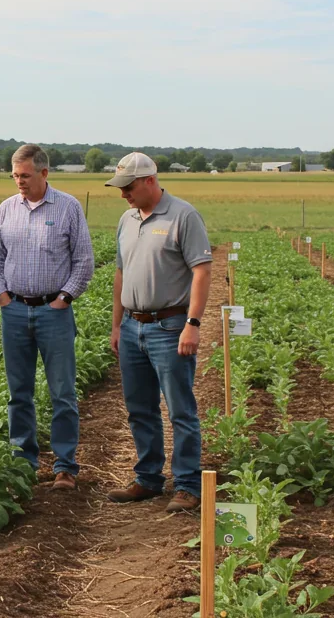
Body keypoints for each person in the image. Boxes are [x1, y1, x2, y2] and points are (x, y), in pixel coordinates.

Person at [104, 152, 212, 512]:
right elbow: (121, 274)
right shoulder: (127, 219)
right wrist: (117, 325)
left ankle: (188, 485)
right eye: (119, 189)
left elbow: (202, 272)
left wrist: (192, 325)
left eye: (128, 187)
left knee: (180, 410)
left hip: (170, 327)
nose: (123, 195)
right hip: (133, 326)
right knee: (139, 408)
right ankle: (149, 479)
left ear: (150, 179)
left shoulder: (183, 216)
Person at [0, 144, 93, 491]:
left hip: (53, 312)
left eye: (25, 175)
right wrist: (2, 296)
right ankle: (23, 463)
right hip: (14, 311)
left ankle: (65, 466)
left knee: (62, 391)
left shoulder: (67, 208)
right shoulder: (6, 209)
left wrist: (64, 299)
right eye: (15, 175)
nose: (19, 181)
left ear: (44, 173)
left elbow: (83, 261)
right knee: (19, 393)